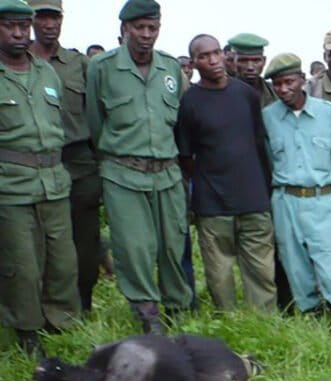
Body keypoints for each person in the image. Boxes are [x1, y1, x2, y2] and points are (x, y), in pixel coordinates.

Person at [86, 0, 190, 334]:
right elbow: (95, 122)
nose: (146, 34)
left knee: (172, 245)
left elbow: (182, 121)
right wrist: (116, 157)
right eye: (139, 27)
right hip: (123, 173)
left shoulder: (170, 68)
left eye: (152, 28)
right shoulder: (102, 67)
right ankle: (147, 313)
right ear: (125, 29)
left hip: (167, 173)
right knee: (135, 247)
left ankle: (177, 307)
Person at [0, 0, 80, 355]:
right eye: (10, 26)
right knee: (22, 265)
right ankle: (27, 331)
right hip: (11, 186)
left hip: (54, 182)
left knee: (63, 261)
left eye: (23, 26)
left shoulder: (46, 72)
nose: (19, 33)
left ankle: (61, 323)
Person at [262, 52, 331, 334]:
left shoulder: (328, 112)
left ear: (302, 79)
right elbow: (267, 159)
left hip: (322, 199)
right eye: (277, 84)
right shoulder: (268, 117)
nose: (283, 89)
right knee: (295, 266)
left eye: (289, 82)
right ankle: (313, 323)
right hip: (285, 200)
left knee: (330, 265)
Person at [176, 33, 274, 312]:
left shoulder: (246, 94)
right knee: (219, 274)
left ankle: (264, 324)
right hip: (213, 203)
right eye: (204, 56)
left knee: (262, 272)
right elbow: (186, 156)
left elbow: (258, 143)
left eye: (216, 53)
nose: (213, 60)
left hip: (253, 199)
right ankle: (229, 323)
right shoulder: (190, 102)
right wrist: (209, 179)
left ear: (224, 54)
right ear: (194, 63)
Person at [30, 0, 100, 314]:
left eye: (55, 17)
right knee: (39, 240)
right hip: (35, 162)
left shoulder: (79, 63)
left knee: (85, 240)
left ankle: (82, 304)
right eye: (42, 17)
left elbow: (97, 111)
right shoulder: (17, 61)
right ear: (31, 21)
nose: (50, 24)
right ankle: (42, 307)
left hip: (80, 161)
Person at [228, 32, 272, 107]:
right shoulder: (222, 92)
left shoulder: (276, 92)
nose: (250, 67)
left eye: (256, 60)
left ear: (264, 61)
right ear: (234, 61)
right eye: (243, 61)